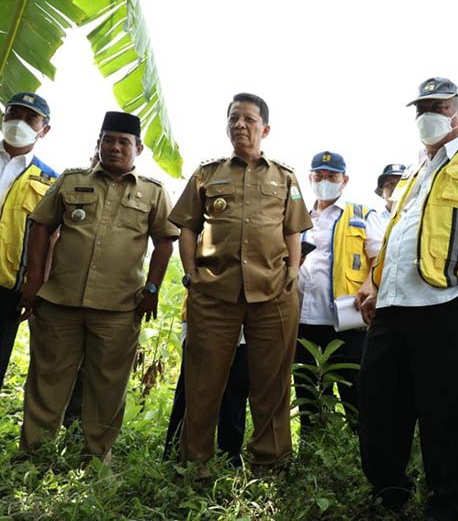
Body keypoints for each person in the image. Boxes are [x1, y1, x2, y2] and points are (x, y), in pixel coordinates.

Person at [358, 77, 458, 520]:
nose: (426, 116)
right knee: (378, 404)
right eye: (421, 108)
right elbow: (397, 235)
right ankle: (391, 493)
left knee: (445, 413)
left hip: (445, 302)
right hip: (391, 306)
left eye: (437, 107)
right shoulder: (412, 172)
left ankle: (443, 505)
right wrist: (374, 284)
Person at [18, 111, 177, 461]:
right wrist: (34, 280)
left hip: (119, 309)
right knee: (47, 381)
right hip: (61, 302)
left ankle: (95, 458)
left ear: (139, 147)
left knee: (107, 389)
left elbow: (166, 241)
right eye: (108, 140)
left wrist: (151, 290)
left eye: (123, 142)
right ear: (99, 143)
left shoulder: (153, 191)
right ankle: (34, 456)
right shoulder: (72, 180)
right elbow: (41, 225)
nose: (115, 147)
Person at [168, 92, 312, 476]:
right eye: (233, 118)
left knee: (272, 381)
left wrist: (293, 270)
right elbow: (186, 226)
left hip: (273, 292)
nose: (239, 125)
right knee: (204, 380)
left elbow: (293, 227)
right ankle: (196, 463)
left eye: (248, 119)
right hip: (214, 291)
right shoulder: (207, 173)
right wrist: (191, 273)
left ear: (265, 128)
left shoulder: (285, 177)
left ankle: (271, 460)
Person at [295, 151, 382, 434]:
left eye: (332, 176)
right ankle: (312, 456)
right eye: (319, 176)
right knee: (308, 395)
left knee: (354, 393)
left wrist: (370, 283)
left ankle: (358, 456)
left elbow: (381, 256)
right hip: (303, 322)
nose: (325, 182)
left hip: (347, 320)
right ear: (310, 179)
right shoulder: (297, 218)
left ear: (344, 180)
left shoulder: (361, 213)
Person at [0, 93, 56, 389]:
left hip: (7, 287)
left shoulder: (49, 180)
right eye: (14, 113)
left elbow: (50, 237)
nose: (19, 121)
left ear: (44, 129)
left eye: (30, 117)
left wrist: (37, 284)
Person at [163, 298, 249, 468]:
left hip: (249, 315)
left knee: (237, 389)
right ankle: (176, 455)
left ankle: (230, 459)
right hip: (208, 310)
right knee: (194, 389)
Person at [374, 163, 405, 229]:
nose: (396, 188)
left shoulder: (418, 216)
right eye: (390, 184)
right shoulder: (375, 221)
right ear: (382, 192)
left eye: (401, 183)